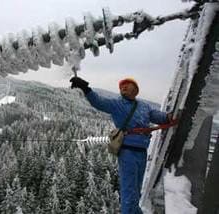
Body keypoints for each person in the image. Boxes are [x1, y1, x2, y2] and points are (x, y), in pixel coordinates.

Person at [70, 76, 173, 214]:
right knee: (129, 190)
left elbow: (159, 117)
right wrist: (85, 88)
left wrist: (169, 117)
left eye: (127, 84)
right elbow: (98, 102)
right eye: (121, 86)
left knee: (136, 189)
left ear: (135, 90)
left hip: (142, 152)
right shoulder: (117, 104)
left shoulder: (145, 107)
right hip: (127, 152)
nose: (122, 87)